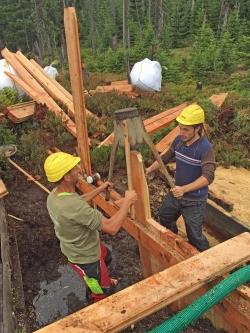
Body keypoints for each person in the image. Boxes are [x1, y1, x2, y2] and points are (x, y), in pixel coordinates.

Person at [44, 152, 137, 302]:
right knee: (100, 289)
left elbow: (78, 201)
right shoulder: (73, 207)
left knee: (106, 256)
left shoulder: (55, 196)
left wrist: (100, 189)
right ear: (67, 177)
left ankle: (103, 278)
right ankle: (98, 298)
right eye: (75, 168)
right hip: (85, 258)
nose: (80, 169)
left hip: (79, 246)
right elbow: (111, 228)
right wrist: (127, 202)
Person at [146, 104, 216, 252]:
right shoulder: (179, 141)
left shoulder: (205, 148)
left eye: (186, 129)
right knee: (165, 217)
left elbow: (208, 177)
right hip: (176, 194)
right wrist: (149, 169)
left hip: (194, 200)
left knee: (194, 235)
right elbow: (165, 157)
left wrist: (184, 189)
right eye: (180, 128)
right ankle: (175, 242)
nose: (181, 132)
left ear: (197, 128)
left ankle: (204, 255)